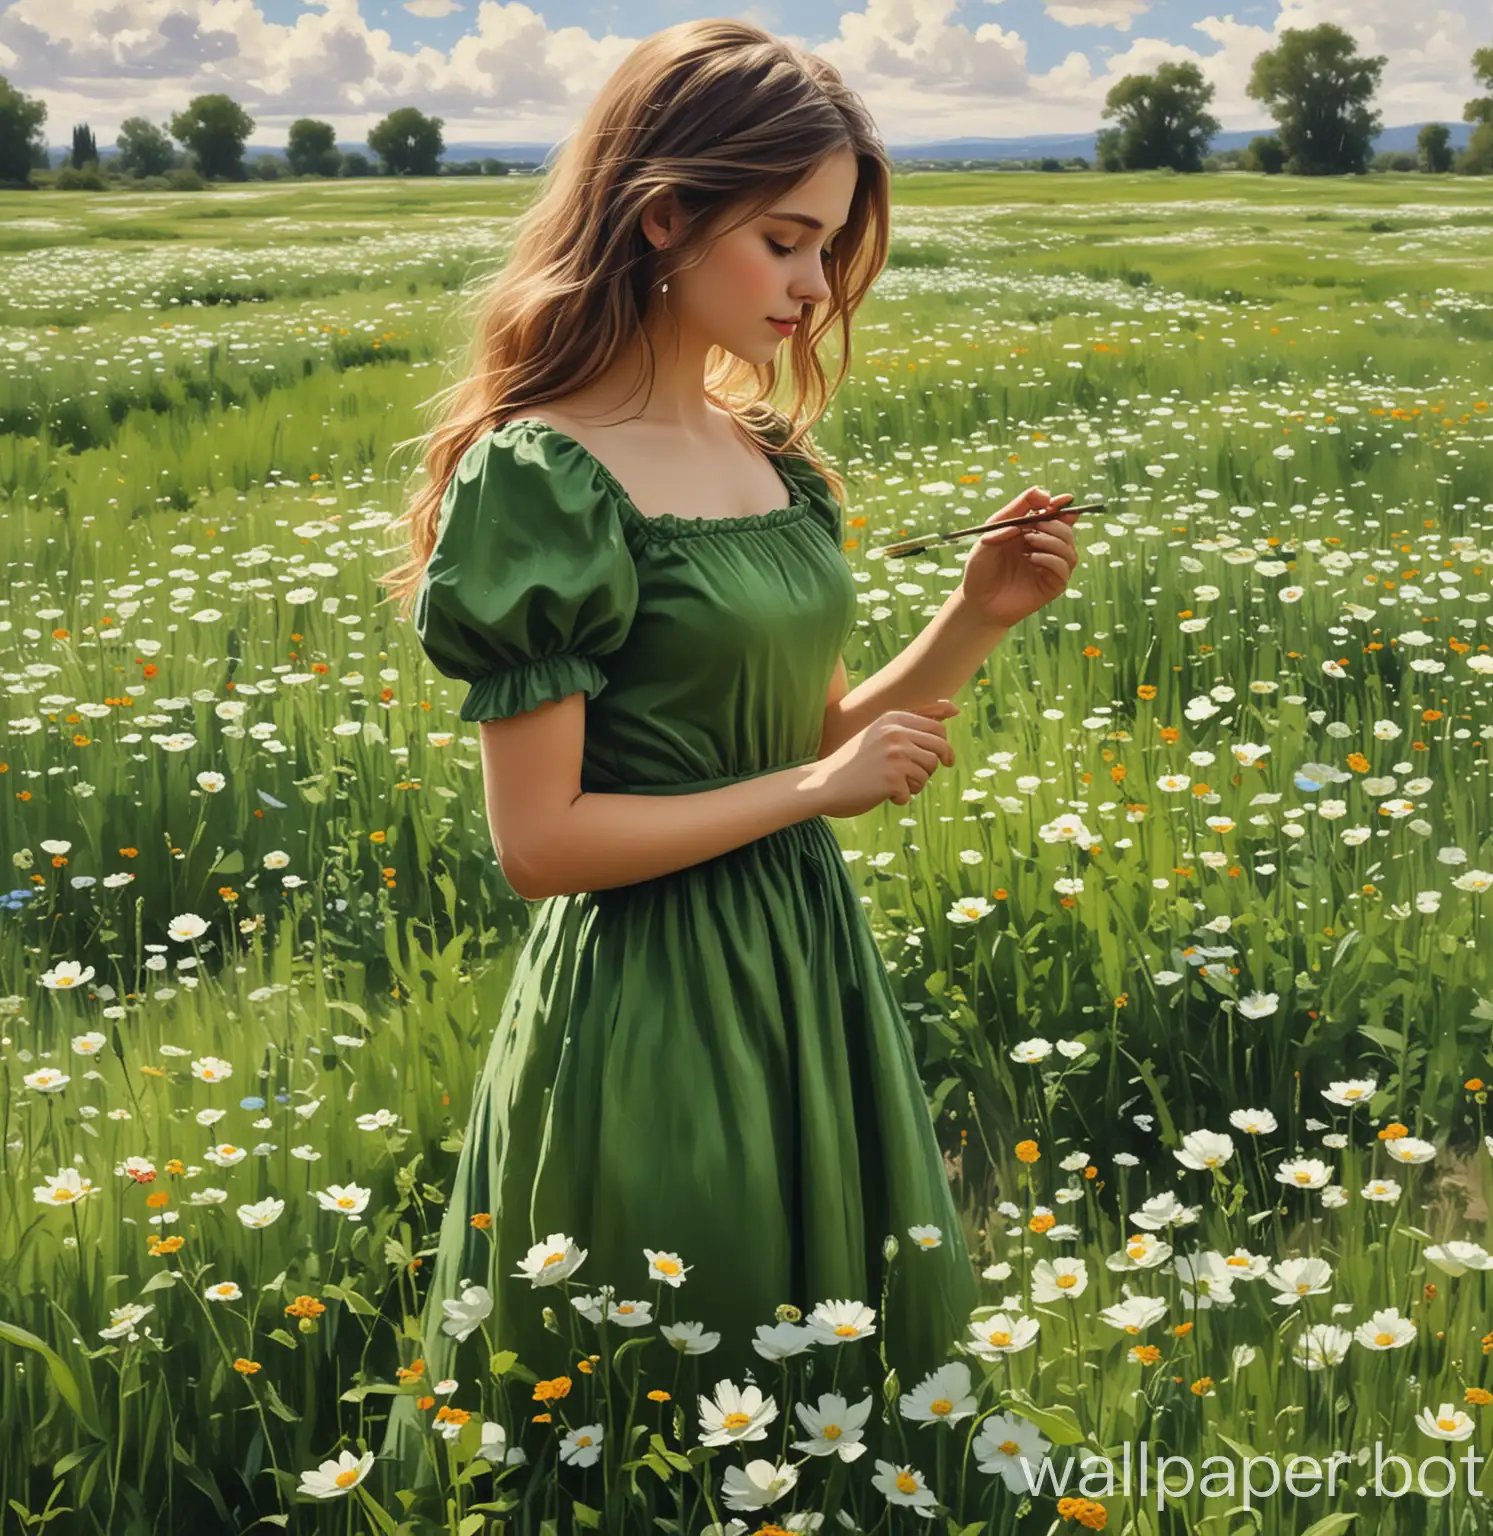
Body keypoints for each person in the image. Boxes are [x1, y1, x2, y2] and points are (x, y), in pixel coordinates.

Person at [376, 17, 1080, 1500]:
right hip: (647, 999)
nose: (818, 286)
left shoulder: (768, 456)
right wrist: (813, 795)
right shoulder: (541, 476)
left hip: (803, 970)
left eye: (829, 247)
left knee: (826, 1394)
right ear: (664, 217)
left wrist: (975, 617)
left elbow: (809, 738)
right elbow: (544, 845)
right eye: (787, 240)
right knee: (659, 1400)